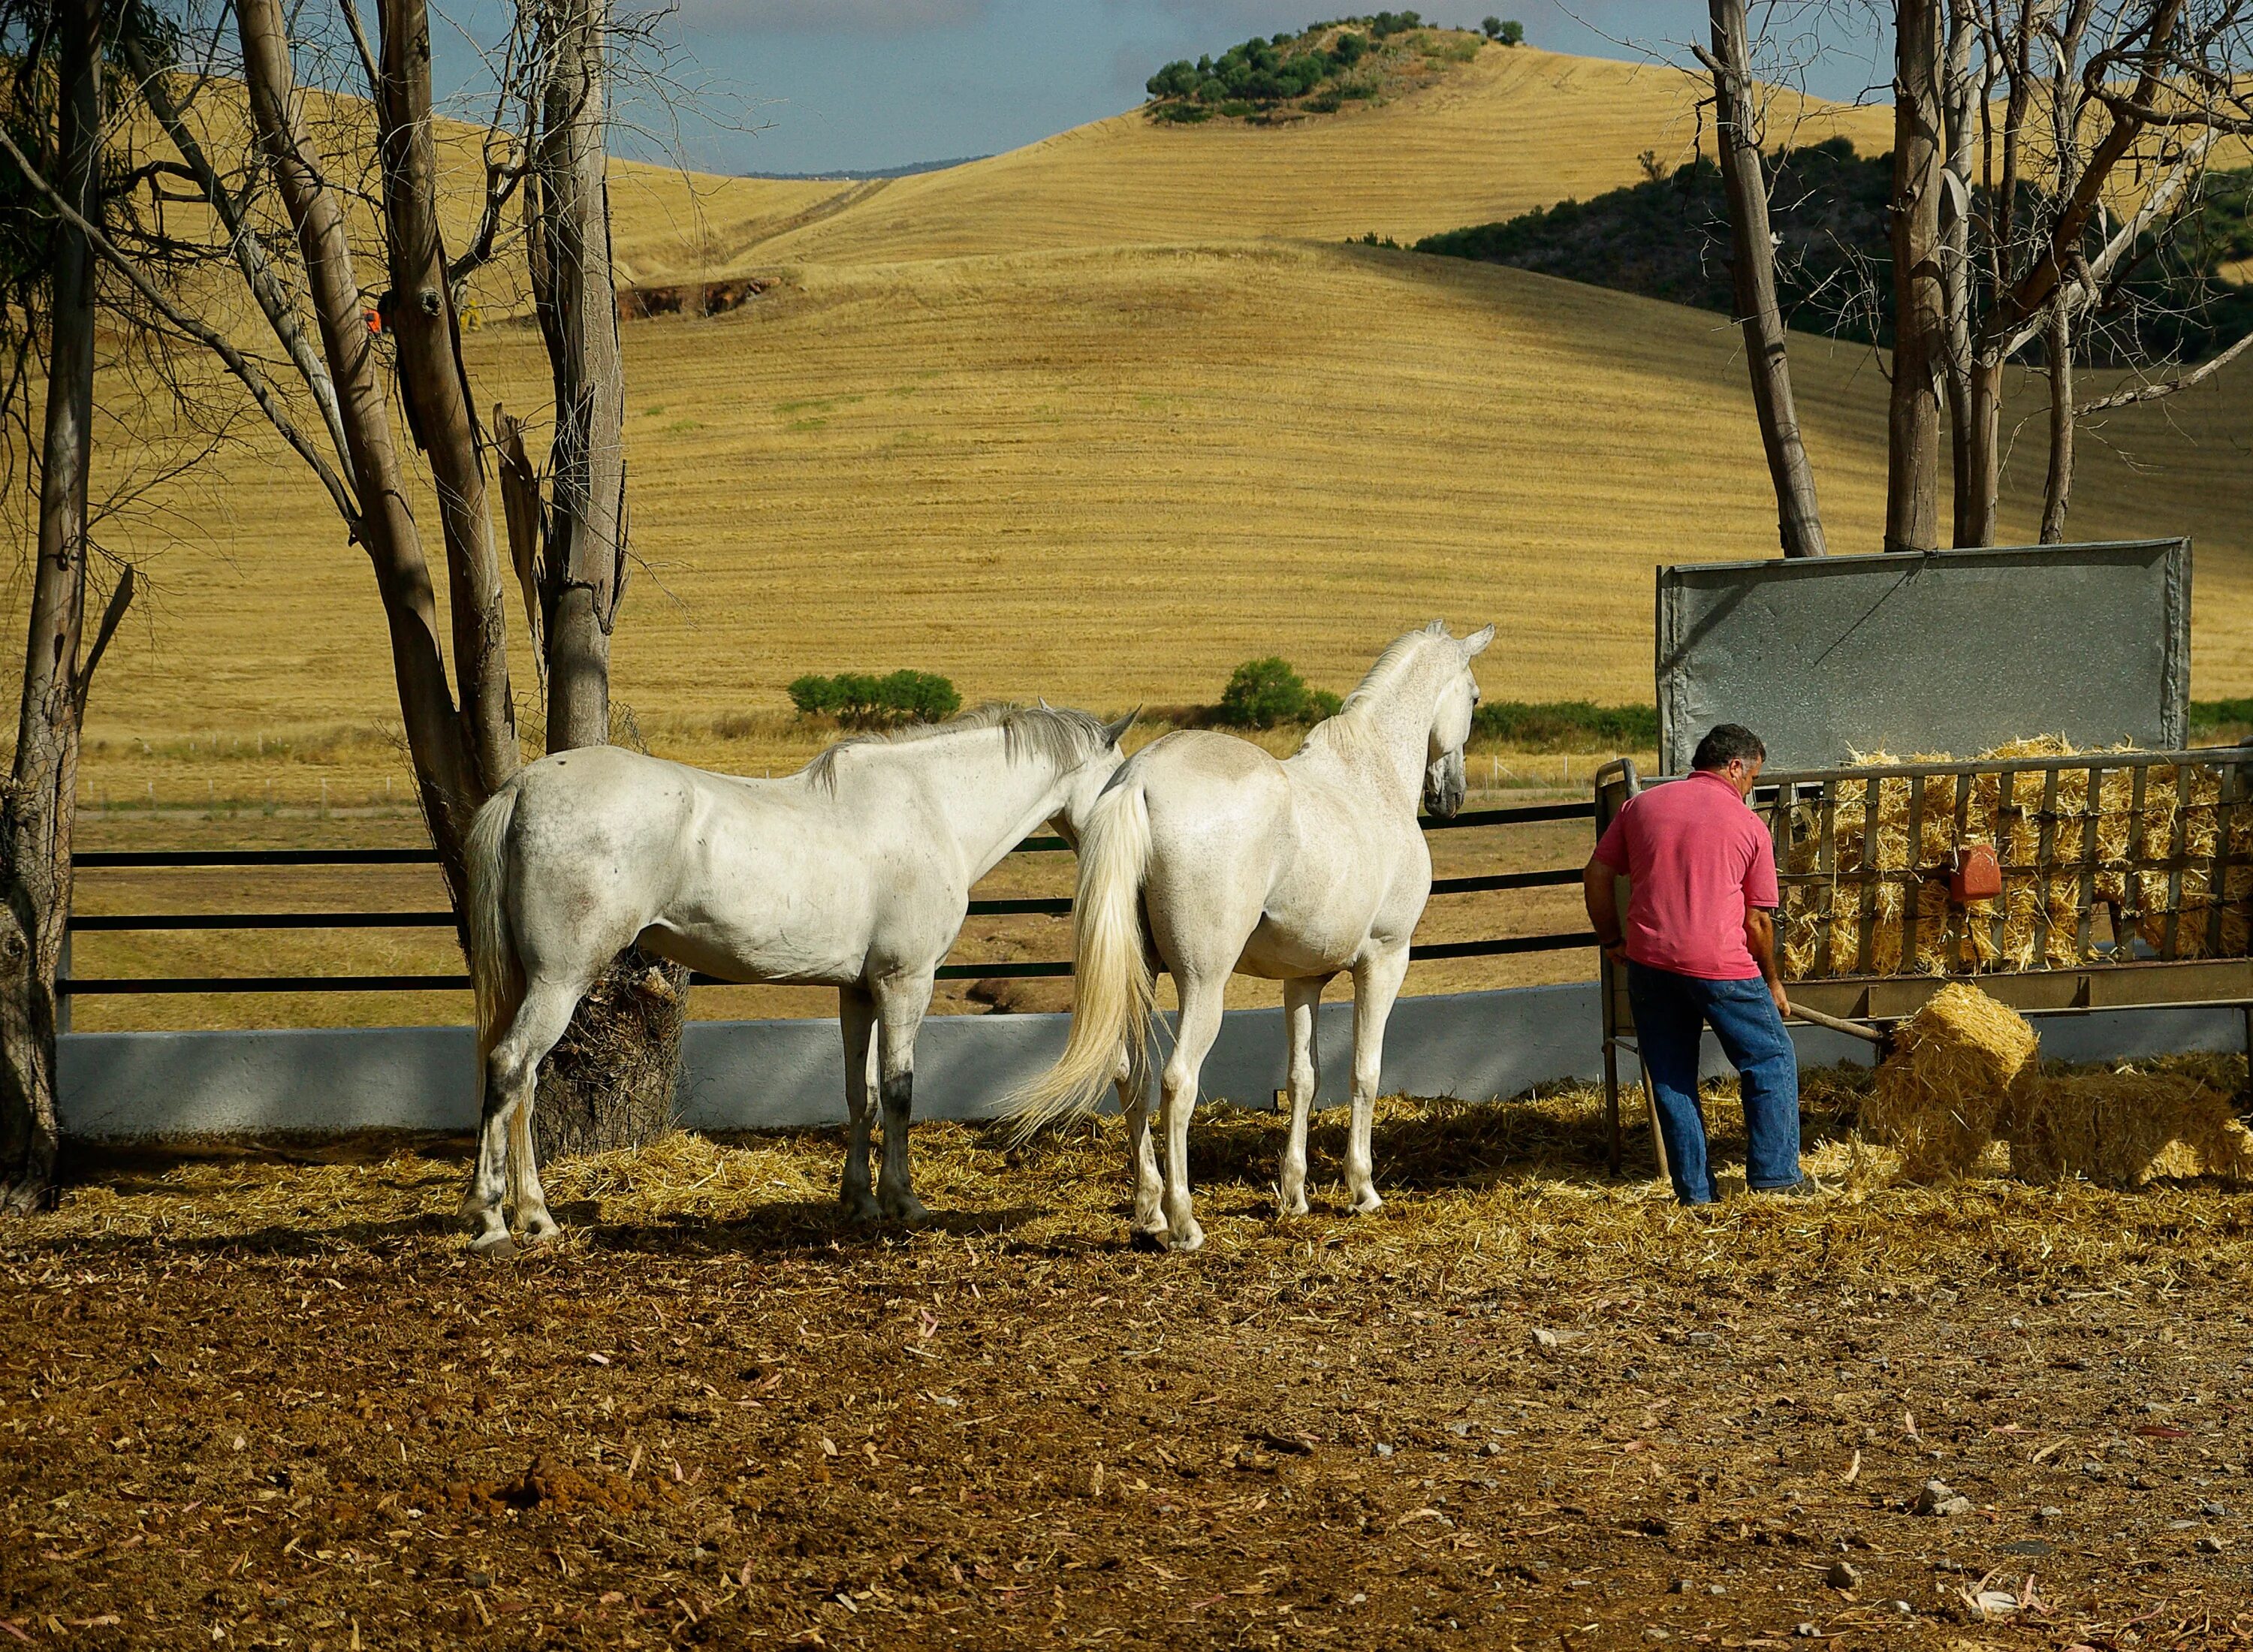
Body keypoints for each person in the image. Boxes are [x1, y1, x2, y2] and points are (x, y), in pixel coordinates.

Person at [1582, 723, 1811, 1204]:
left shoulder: (1641, 806)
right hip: (1721, 967)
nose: (1751, 789)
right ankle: (1776, 1179)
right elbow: (1757, 924)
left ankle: (1696, 1193)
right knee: (1769, 1059)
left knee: (1671, 1075)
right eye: (1752, 778)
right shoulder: (1749, 825)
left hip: (1650, 963)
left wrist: (1610, 938)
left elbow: (1597, 874)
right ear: (1734, 768)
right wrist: (1771, 982)